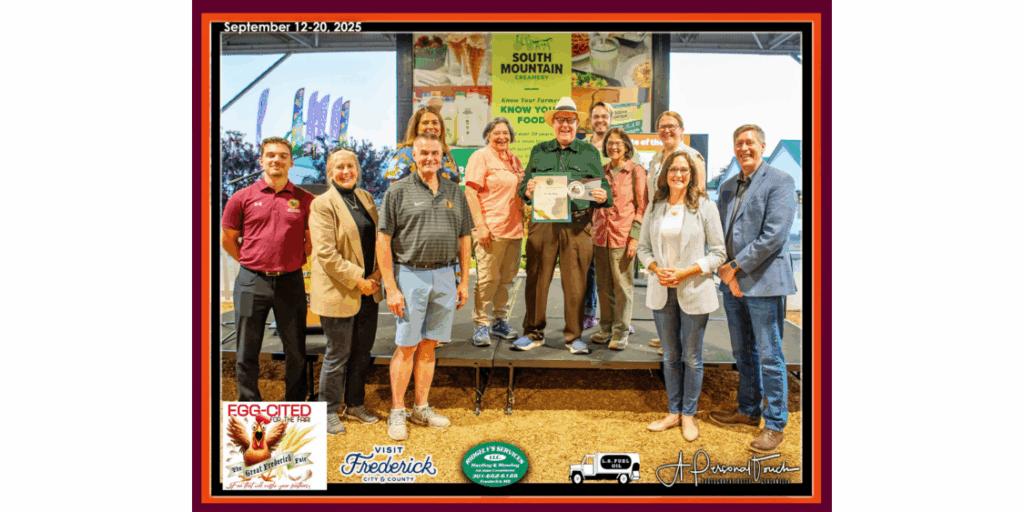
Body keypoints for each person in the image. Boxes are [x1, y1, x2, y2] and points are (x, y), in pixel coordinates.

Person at [376, 132, 473, 440]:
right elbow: (383, 241)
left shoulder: (455, 192)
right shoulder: (397, 192)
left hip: (446, 275)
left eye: (436, 153)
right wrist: (391, 287)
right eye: (424, 153)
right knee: (407, 345)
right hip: (410, 275)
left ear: (442, 157)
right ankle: (397, 410)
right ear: (413, 157)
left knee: (430, 344)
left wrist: (464, 280)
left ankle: (421, 407)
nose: (430, 158)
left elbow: (464, 239)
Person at [709, 124, 797, 453]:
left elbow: (774, 236)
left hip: (763, 281)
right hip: (733, 283)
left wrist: (733, 268)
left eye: (750, 142)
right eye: (738, 143)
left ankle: (775, 424)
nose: (744, 148)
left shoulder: (781, 180)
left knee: (770, 356)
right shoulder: (729, 185)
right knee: (742, 353)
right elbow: (719, 231)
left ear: (763, 144)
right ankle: (747, 409)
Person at [637, 150, 726, 441]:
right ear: (665, 174)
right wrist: (654, 268)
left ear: (691, 175)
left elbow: (718, 253)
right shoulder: (656, 205)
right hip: (662, 290)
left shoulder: (704, 206)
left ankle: (689, 415)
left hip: (694, 290)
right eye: (673, 169)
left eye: (684, 170)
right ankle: (673, 413)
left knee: (692, 357)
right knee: (671, 356)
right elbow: (643, 249)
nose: (678, 174)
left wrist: (686, 272)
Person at [513, 97, 612, 355]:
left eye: (570, 120)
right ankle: (532, 333)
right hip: (543, 224)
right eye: (560, 120)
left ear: (577, 123)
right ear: (553, 124)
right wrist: (528, 190)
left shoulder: (589, 152)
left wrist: (603, 197)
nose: (565, 125)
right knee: (535, 279)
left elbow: (604, 189)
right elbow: (524, 186)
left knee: (576, 282)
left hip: (578, 225)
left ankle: (574, 337)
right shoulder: (539, 150)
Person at [221, 136, 313, 402]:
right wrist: (252, 262)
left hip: (290, 282)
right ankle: (249, 401)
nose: (277, 159)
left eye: (283, 155)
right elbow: (228, 239)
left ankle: (295, 402)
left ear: (291, 162)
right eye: (271, 155)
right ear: (261, 161)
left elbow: (310, 241)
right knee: (246, 348)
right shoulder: (242, 198)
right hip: (252, 281)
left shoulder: (304, 199)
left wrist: (293, 260)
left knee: (295, 348)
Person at [309, 149, 384, 435]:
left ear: (357, 168)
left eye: (350, 165)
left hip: (369, 289)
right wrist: (359, 280)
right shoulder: (322, 204)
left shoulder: (365, 198)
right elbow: (326, 254)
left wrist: (377, 273)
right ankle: (327, 410)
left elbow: (376, 238)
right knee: (338, 353)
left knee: (362, 352)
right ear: (330, 172)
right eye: (339, 167)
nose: (345, 171)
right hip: (340, 290)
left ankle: (354, 404)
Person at [646, 111, 707, 352]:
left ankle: (681, 340)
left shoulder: (693, 156)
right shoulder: (656, 158)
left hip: (685, 226)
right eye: (662, 126)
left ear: (682, 129)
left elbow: (700, 194)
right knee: (664, 281)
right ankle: (668, 337)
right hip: (661, 223)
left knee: (682, 280)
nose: (667, 130)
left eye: (672, 126)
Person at [464, 117, 525, 347]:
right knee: (488, 279)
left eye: (506, 133)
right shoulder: (480, 157)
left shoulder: (515, 161)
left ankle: (499, 320)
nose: (502, 137)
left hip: (514, 230)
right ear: (488, 135)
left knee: (507, 280)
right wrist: (480, 225)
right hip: (491, 229)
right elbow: (470, 192)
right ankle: (481, 324)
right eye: (496, 132)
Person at [590, 127, 648, 350]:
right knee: (603, 286)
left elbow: (642, 207)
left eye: (618, 143)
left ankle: (621, 332)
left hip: (622, 238)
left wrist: (635, 238)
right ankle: (605, 329)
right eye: (610, 143)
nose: (613, 146)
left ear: (626, 146)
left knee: (622, 287)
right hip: (600, 236)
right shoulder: (601, 171)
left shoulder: (636, 171)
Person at [582, 102, 612, 330]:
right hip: (587, 218)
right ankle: (589, 313)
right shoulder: (581, 147)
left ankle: (618, 319)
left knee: (615, 272)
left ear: (611, 118)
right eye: (596, 116)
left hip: (615, 218)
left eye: (604, 116)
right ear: (590, 120)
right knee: (589, 270)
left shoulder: (620, 144)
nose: (600, 120)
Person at [384, 106, 461, 184]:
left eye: (435, 123)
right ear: (416, 128)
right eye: (425, 123)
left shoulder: (447, 155)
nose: (430, 127)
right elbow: (394, 190)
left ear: (441, 128)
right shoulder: (404, 154)